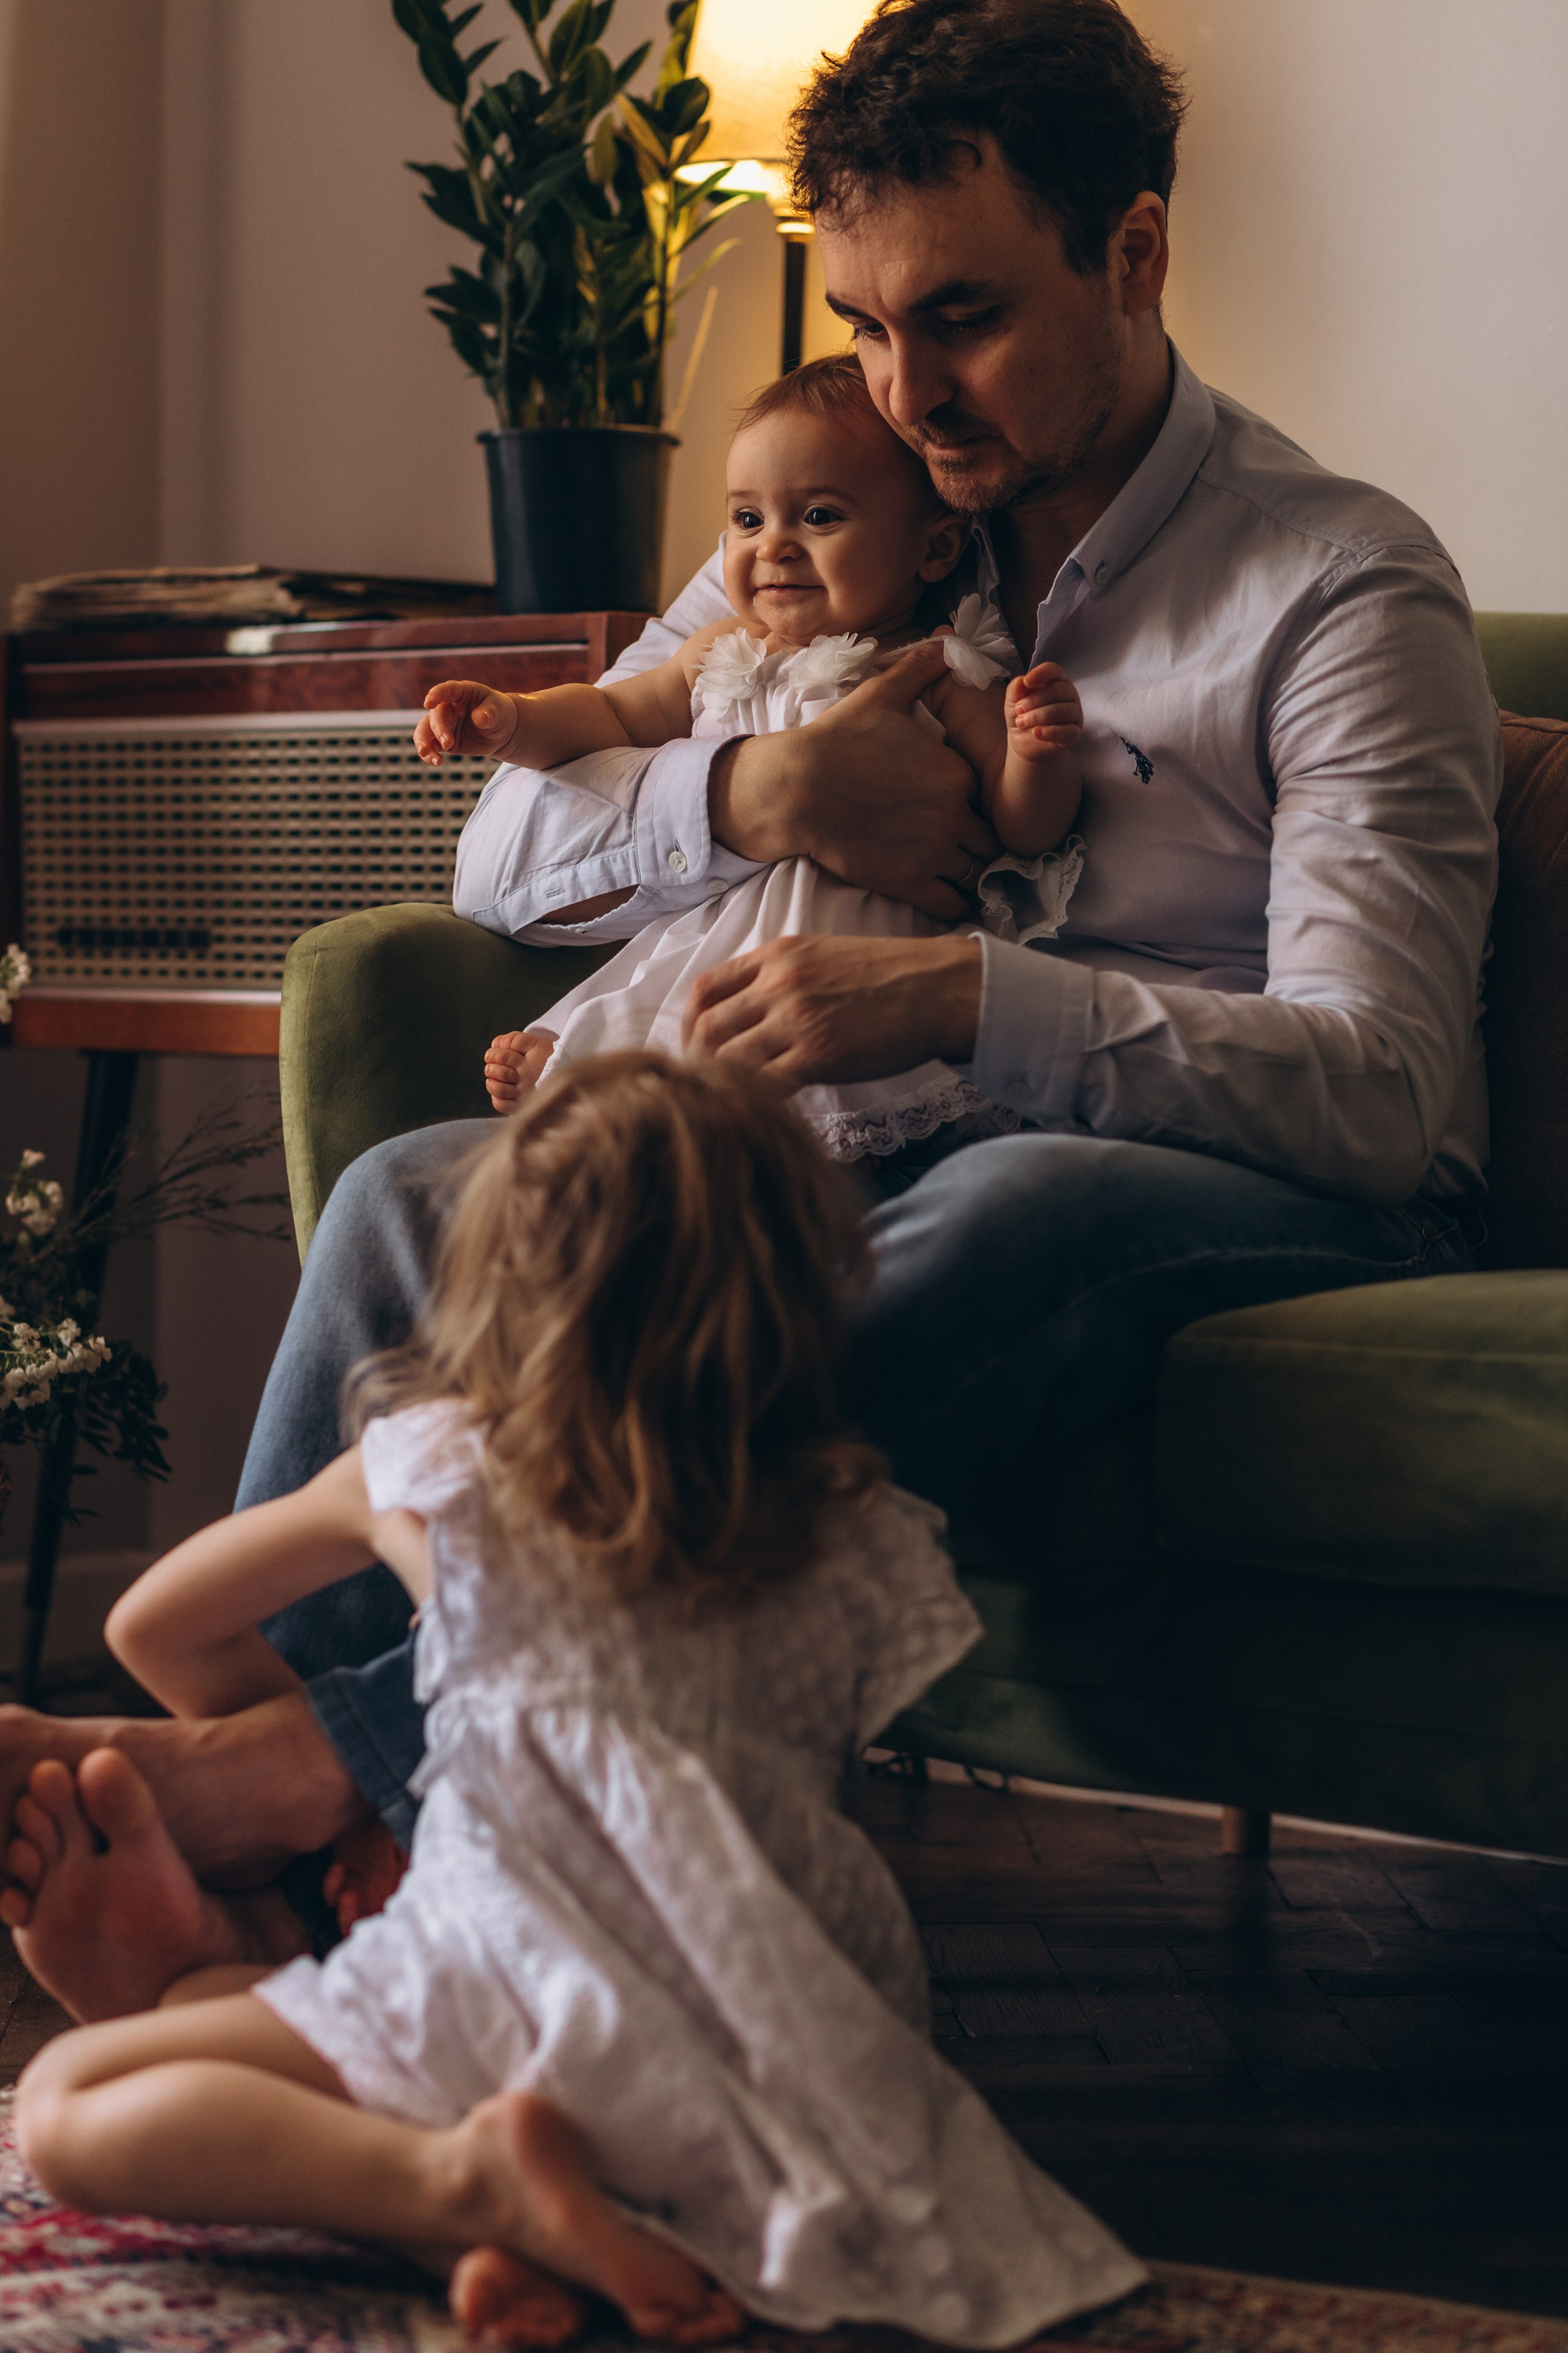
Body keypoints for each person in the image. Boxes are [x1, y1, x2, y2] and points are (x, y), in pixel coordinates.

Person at [0, 0, 1496, 1962]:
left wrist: (965, 999)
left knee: (994, 1206)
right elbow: (499, 866)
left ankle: (294, 1785)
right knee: (418, 1197)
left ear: (1132, 256)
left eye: (958, 315)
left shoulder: (1334, 587)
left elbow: (1382, 1088)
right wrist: (754, 786)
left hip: (1216, 1181)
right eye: (866, 323)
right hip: (842, 1131)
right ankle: (320, 1906)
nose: (903, 390)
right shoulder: (849, 521)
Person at [9, 1057, 1144, 2350]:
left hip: (497, 1976)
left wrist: (298, 1736)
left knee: (69, 2102)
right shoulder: (857, 1534)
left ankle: (454, 2182)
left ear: (494, 1284)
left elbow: (146, 1624)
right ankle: (535, 2207)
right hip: (790, 2030)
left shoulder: (429, 1470)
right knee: (357, 2066)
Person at [415, 355, 1084, 1158]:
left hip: (863, 967)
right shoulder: (720, 649)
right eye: (747, 520)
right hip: (725, 926)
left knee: (791, 1107)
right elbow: (608, 714)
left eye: (821, 517)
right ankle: (592, 1071)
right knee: (674, 1003)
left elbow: (1024, 828)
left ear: (935, 549)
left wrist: (1037, 755)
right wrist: (513, 722)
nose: (777, 548)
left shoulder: (937, 668)